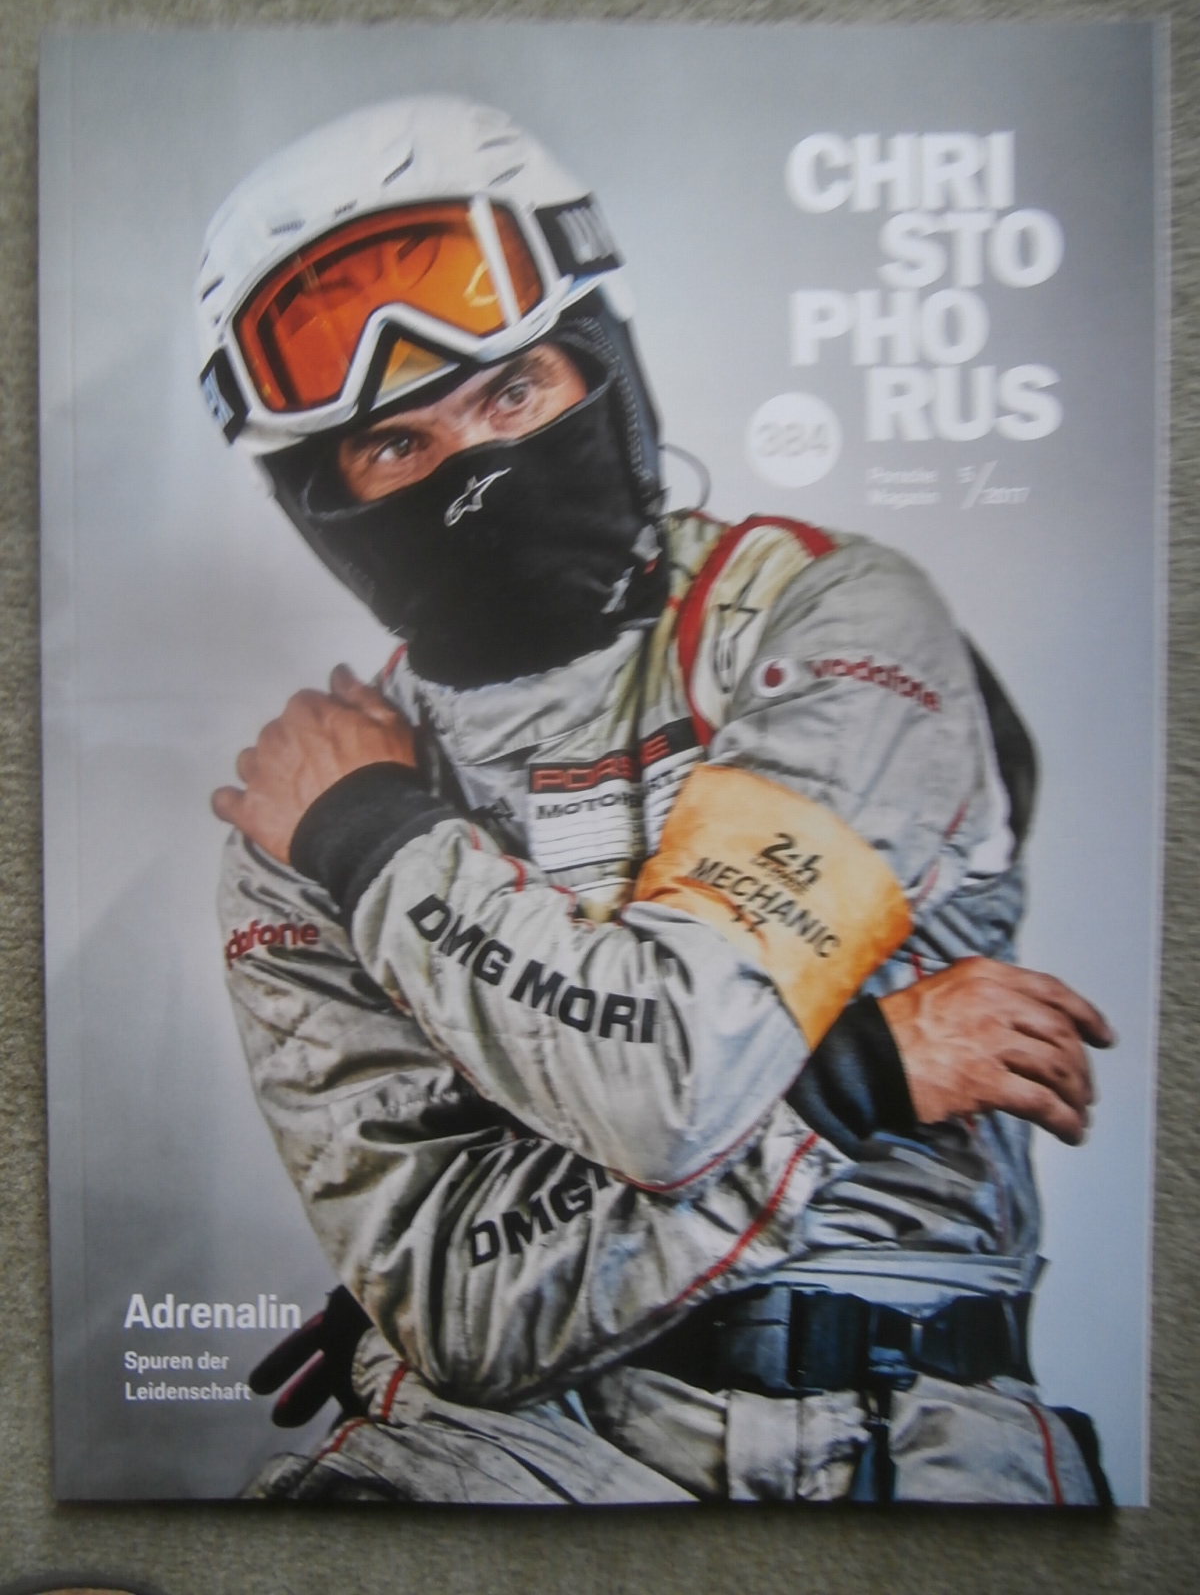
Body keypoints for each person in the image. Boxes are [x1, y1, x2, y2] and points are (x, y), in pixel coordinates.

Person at [199, 96, 1114, 1504]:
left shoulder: (825, 622)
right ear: (317, 497)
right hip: (505, 1446)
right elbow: (462, 1311)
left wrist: (377, 845)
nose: (472, 468)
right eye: (396, 446)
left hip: (897, 1422)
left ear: (602, 366)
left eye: (512, 393)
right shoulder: (296, 824)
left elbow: (672, 1091)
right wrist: (856, 1076)